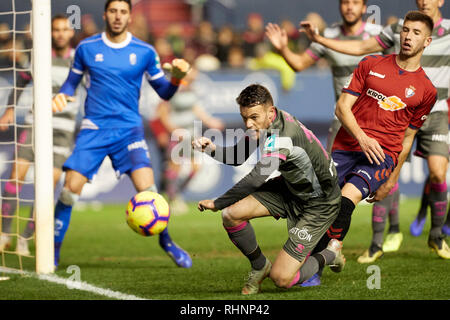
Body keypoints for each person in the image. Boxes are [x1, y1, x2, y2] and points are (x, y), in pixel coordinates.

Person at [303, 10, 446, 287]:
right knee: (323, 206)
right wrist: (362, 137)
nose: (408, 36)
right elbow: (342, 107)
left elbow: (408, 139)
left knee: (345, 202)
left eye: (416, 33)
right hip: (346, 147)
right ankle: (332, 251)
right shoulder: (370, 64)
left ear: (427, 42)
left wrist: (391, 180)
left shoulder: (427, 90)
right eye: (406, 30)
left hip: (382, 157)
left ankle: (316, 267)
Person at [51, 0, 192, 269]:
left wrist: (175, 79)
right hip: (94, 129)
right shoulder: (87, 48)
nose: (118, 17)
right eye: (113, 11)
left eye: (123, 12)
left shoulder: (145, 52)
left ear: (130, 16)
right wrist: (62, 96)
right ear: (105, 14)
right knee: (69, 191)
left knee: (149, 192)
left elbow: (164, 92)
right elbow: (70, 84)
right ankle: (53, 252)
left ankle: (167, 242)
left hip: (129, 131)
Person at [193, 84, 345, 295]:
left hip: (319, 203)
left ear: (270, 112)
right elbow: (238, 156)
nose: (248, 123)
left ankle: (330, 254)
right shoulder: (262, 125)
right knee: (231, 215)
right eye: (245, 117)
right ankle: (259, 265)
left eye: (253, 117)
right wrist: (210, 149)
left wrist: (218, 202)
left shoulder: (283, 135)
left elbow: (256, 178)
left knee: (282, 279)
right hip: (291, 188)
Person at [0, 15, 81, 255]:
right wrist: (10, 110)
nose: (59, 34)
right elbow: (21, 81)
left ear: (70, 32)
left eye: (64, 29)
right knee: (16, 177)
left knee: (48, 186)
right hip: (36, 124)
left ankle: (25, 238)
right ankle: (5, 233)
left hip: (63, 132)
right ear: (51, 32)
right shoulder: (39, 56)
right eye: (55, 29)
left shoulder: (79, 59)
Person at [266, 0, 383, 153]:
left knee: (385, 176)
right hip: (343, 121)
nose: (349, 7)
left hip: (377, 121)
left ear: (363, 8)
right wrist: (283, 48)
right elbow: (299, 64)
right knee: (332, 176)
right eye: (345, 2)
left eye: (355, 2)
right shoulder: (328, 35)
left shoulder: (379, 33)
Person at [154, 68, 224, 213]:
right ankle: (172, 199)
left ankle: (176, 194)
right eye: (191, 75)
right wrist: (174, 130)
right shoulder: (172, 89)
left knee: (195, 168)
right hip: (177, 135)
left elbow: (196, 109)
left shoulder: (192, 91)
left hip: (191, 135)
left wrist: (211, 122)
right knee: (175, 167)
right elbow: (162, 112)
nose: (194, 78)